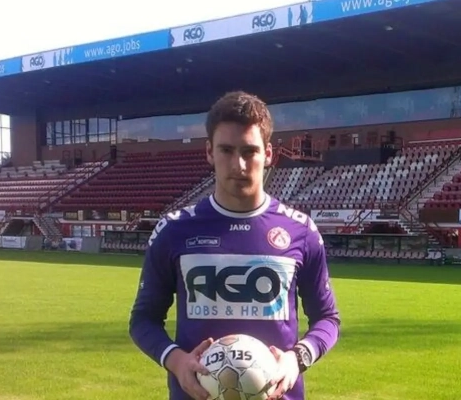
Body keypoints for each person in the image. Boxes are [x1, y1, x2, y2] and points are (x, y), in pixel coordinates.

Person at [129, 91, 340, 400]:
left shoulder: (301, 231)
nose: (238, 165)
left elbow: (327, 319)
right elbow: (143, 319)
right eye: (226, 150)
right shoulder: (174, 231)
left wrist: (297, 358)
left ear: (268, 154)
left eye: (249, 151)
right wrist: (177, 361)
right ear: (209, 152)